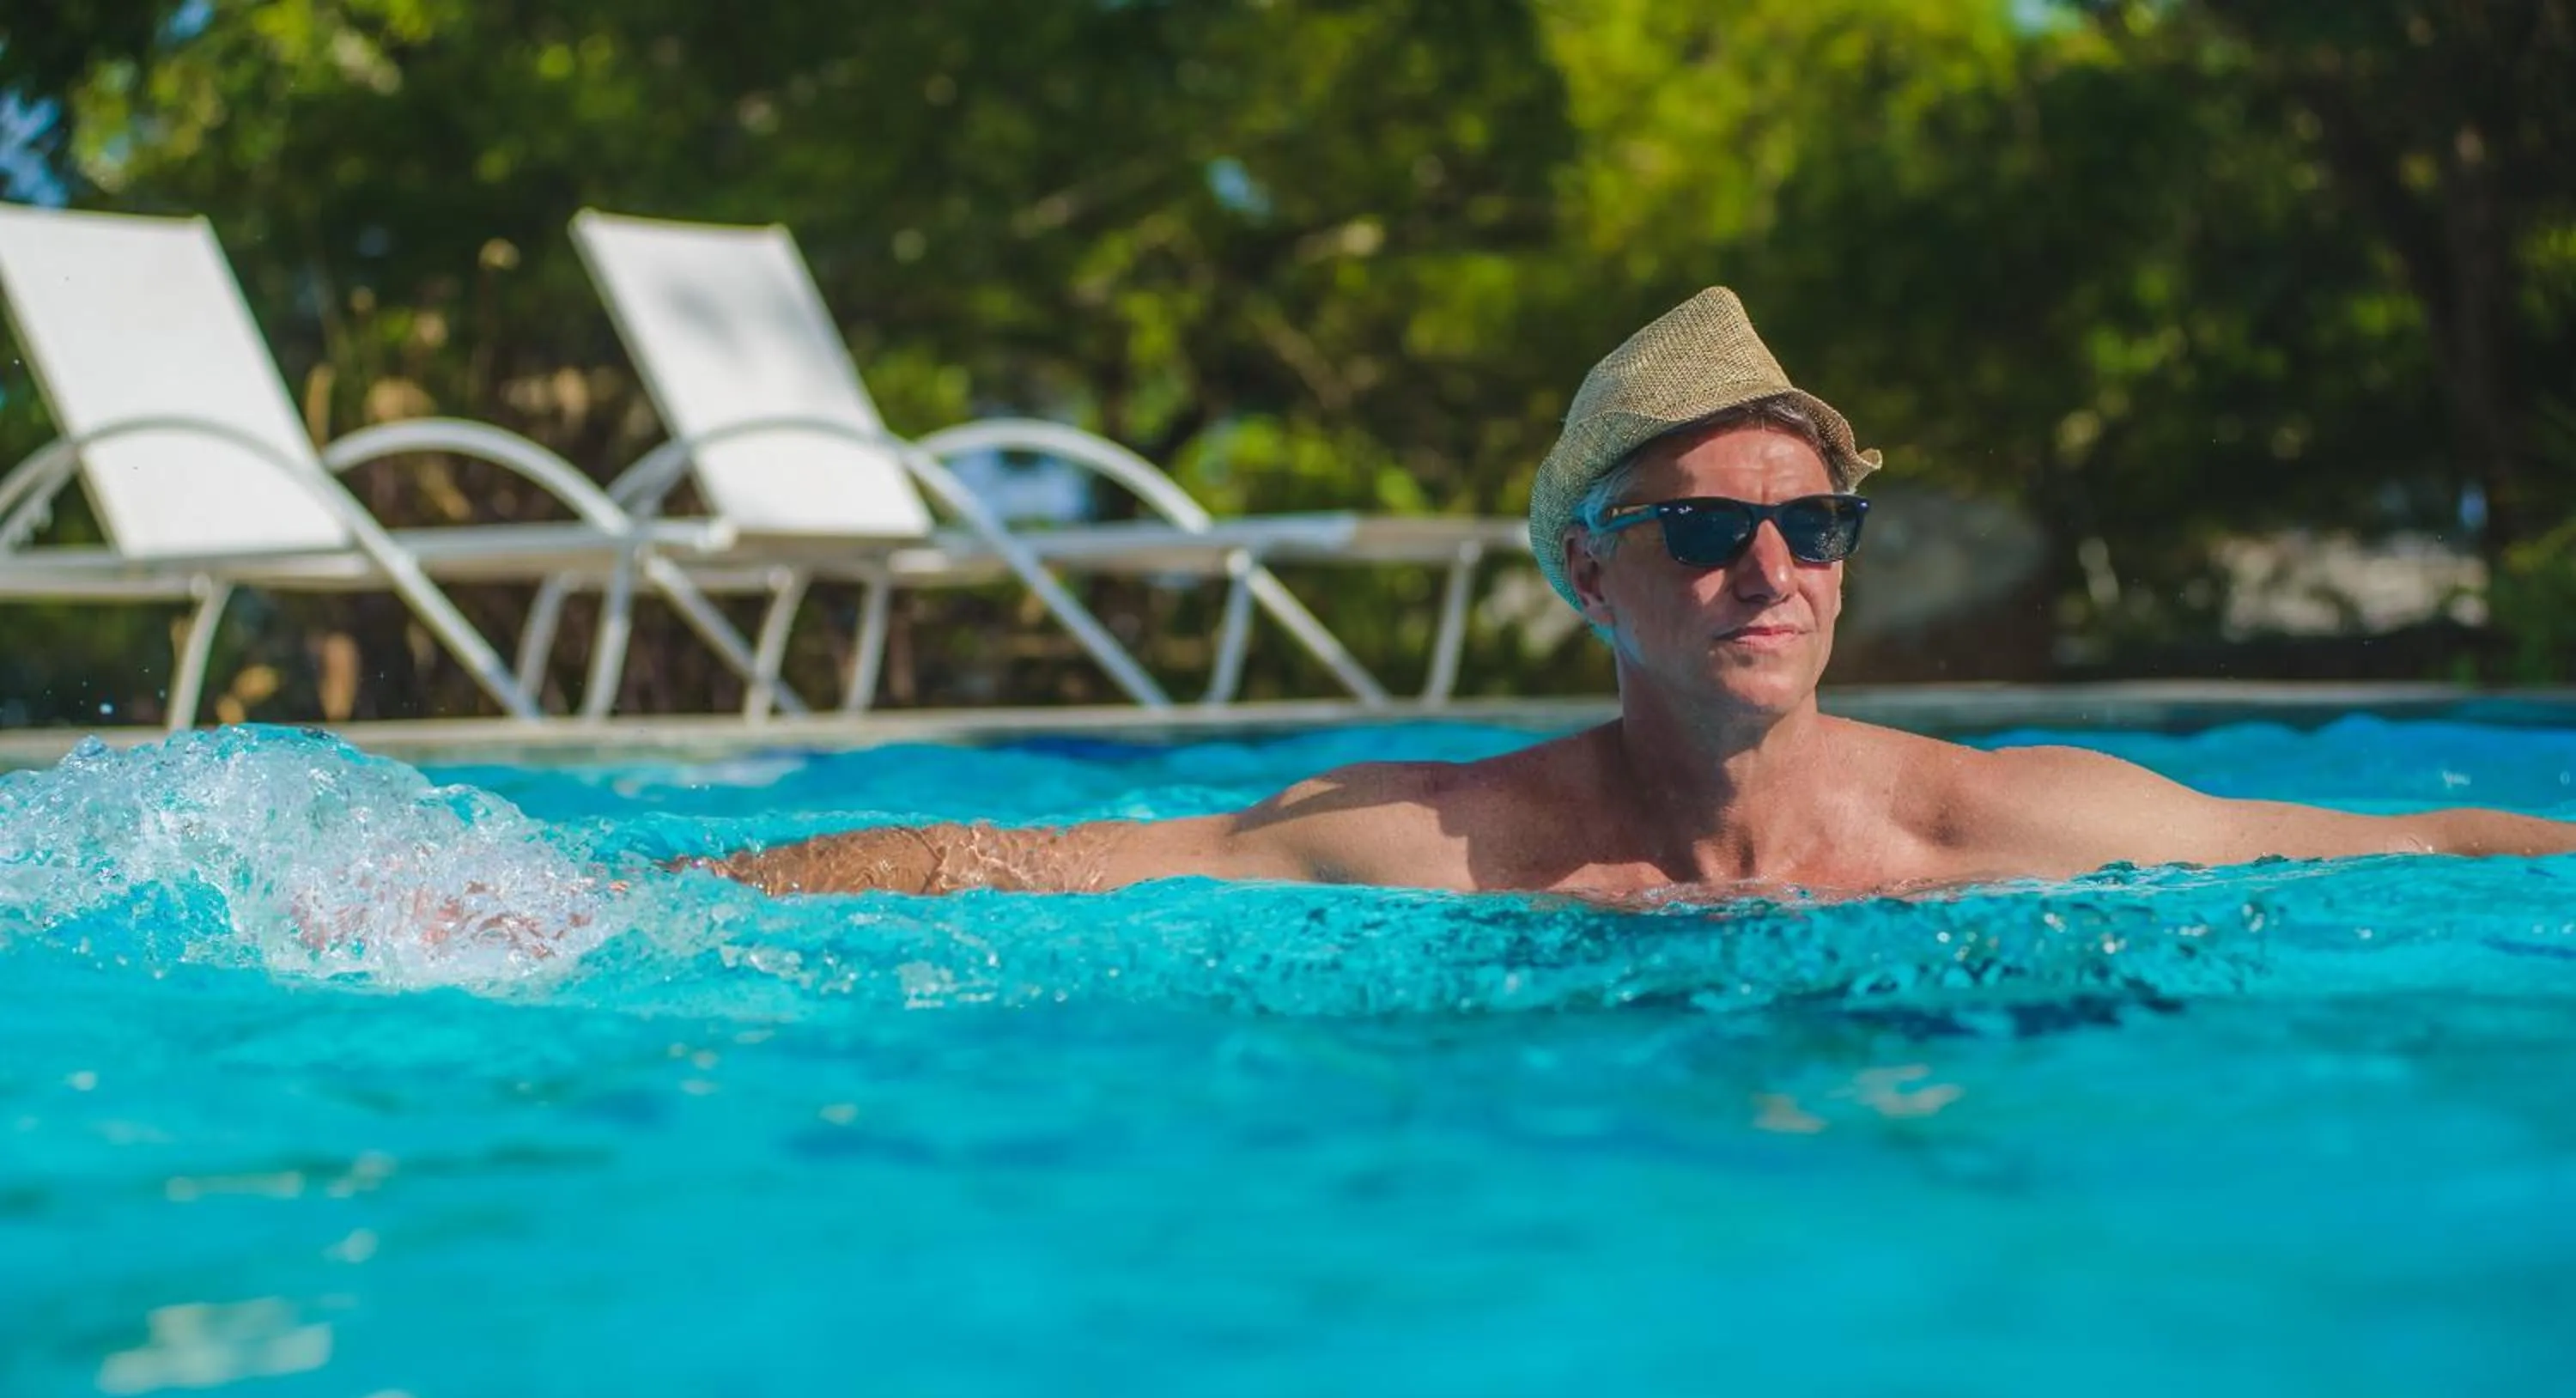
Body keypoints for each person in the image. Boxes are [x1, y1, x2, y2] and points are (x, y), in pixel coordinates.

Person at [707, 288, 2576, 901]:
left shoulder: (2002, 823)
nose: (1771, 569)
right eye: (1704, 530)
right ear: (1593, 575)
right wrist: (618, 897)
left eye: (1814, 526)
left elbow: (2411, 842)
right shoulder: (1454, 842)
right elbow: (1038, 862)